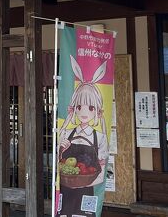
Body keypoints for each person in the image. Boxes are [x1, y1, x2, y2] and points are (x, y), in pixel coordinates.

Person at [56, 56, 108, 217]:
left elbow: (101, 171)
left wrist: (83, 182)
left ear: (97, 111)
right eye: (79, 107)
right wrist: (60, 147)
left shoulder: (99, 137)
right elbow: (58, 161)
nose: (84, 112)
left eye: (90, 107)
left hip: (87, 189)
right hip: (65, 188)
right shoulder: (67, 132)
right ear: (74, 109)